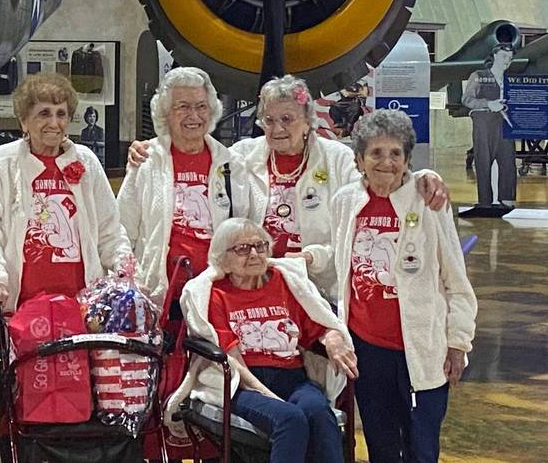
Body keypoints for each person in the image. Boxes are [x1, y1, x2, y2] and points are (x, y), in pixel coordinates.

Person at [317, 109, 477, 463]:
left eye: (395, 153)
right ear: (359, 159)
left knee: (421, 449)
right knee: (381, 446)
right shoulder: (345, 201)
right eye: (376, 153)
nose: (386, 162)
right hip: (367, 349)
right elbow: (340, 260)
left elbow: (456, 279)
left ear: (407, 160)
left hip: (422, 349)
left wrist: (458, 343)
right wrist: (303, 259)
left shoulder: (428, 200)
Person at [227, 75, 450, 298]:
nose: (277, 128)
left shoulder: (337, 158)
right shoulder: (242, 155)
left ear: (307, 122)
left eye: (287, 119)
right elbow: (211, 163)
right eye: (269, 120)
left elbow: (376, 186)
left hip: (322, 287)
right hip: (258, 281)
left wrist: (423, 177)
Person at [167, 218, 357, 463]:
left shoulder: (284, 283)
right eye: (242, 249)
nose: (254, 254)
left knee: (319, 413)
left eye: (260, 246)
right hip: (242, 383)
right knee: (289, 418)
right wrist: (268, 395)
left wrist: (333, 339)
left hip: (293, 377)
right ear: (222, 258)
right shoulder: (216, 295)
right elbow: (233, 360)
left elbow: (319, 323)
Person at [0, 72, 130, 330]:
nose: (54, 122)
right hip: (20, 306)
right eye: (44, 113)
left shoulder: (86, 161)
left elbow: (109, 229)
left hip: (81, 305)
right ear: (24, 121)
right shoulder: (1, 162)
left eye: (61, 114)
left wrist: (125, 270)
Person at [117, 67, 250, 307]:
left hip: (217, 294)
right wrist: (129, 279)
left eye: (201, 106)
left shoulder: (232, 163)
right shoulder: (146, 160)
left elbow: (245, 227)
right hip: (157, 294)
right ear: (165, 113)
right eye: (183, 107)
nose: (194, 115)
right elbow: (122, 229)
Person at [462, 43, 517, 207]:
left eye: (510, 58)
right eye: (503, 56)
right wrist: (488, 104)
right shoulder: (479, 76)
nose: (506, 61)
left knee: (508, 162)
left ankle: (506, 200)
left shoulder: (512, 80)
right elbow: (467, 99)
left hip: (506, 125)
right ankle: (485, 201)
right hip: (484, 124)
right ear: (494, 56)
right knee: (483, 161)